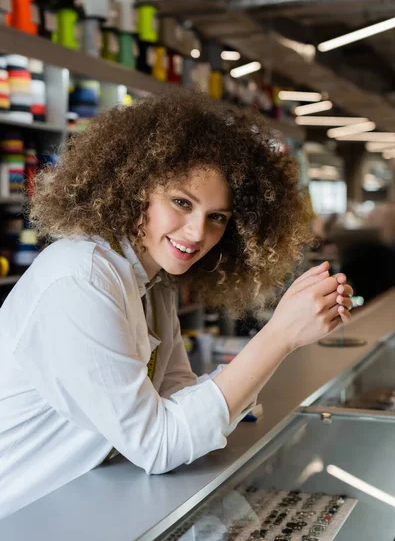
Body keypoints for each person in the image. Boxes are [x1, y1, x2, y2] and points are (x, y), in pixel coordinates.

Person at [0, 89, 353, 519]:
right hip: (20, 517)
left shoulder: (153, 280)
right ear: (136, 189)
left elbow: (176, 393)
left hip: (78, 507)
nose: (196, 232)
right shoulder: (83, 279)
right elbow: (158, 443)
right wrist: (280, 336)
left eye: (217, 217)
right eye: (181, 203)